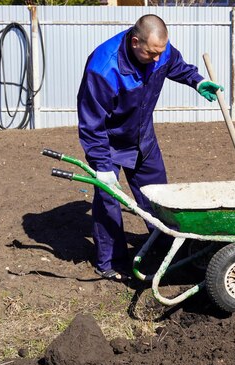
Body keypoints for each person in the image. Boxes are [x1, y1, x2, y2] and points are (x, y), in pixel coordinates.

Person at [77, 14, 223, 281]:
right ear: (135, 42)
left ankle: (165, 248)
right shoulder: (103, 68)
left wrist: (197, 81)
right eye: (151, 53)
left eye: (160, 52)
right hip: (108, 142)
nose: (158, 58)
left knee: (160, 196)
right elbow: (91, 123)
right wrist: (101, 165)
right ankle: (110, 262)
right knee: (109, 200)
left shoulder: (159, 50)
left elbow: (175, 64)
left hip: (143, 135)